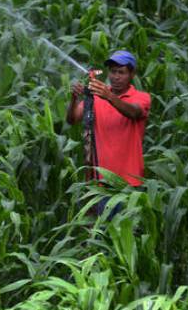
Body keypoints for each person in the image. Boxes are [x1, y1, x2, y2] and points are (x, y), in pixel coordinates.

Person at [65, 50, 151, 209]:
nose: (116, 76)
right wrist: (74, 98)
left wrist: (109, 96)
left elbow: (134, 112)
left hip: (129, 183)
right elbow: (72, 119)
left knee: (125, 231)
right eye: (113, 72)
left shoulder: (141, 97)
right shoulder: (97, 98)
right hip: (101, 183)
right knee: (101, 231)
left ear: (132, 74)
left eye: (121, 72)